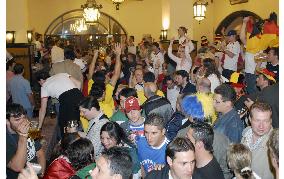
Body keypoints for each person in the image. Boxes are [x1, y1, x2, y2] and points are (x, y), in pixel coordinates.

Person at [37, 72, 83, 136]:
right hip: (79, 96)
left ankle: (69, 143)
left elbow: (43, 109)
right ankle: (77, 138)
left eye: (39, 83)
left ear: (41, 80)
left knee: (65, 124)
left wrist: (39, 127)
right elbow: (79, 83)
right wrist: (75, 98)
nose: (40, 85)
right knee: (76, 120)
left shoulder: (44, 86)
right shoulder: (62, 74)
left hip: (67, 101)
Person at [6, 103, 46, 178]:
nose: (24, 122)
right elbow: (17, 167)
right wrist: (23, 136)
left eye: (24, 117)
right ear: (6, 121)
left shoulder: (30, 130)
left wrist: (41, 173)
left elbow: (40, 153)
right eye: (17, 120)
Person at [241, 102, 274, 179]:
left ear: (271, 121)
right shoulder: (245, 133)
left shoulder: (276, 142)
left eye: (265, 121)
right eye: (257, 120)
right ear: (250, 119)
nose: (261, 126)